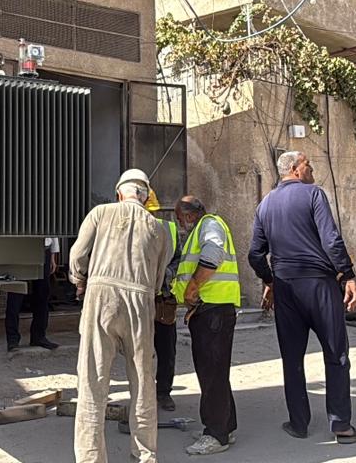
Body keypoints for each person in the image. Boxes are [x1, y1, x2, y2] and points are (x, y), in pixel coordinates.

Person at [247, 151, 356, 445]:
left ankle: (299, 423)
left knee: (292, 358)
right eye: (307, 164)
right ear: (294, 169)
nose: (311, 168)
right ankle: (341, 426)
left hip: (286, 288)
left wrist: (270, 281)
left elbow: (255, 254)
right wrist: (348, 275)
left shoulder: (265, 205)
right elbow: (331, 239)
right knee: (336, 354)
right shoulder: (313, 194)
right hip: (319, 285)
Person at [70, 169, 171, 463]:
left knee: (92, 381)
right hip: (140, 301)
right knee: (143, 381)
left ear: (119, 193)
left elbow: (77, 255)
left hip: (101, 297)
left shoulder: (100, 213)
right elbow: (159, 276)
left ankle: (90, 458)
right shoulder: (159, 228)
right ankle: (145, 455)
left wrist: (80, 280)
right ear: (146, 197)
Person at [172, 196, 241, 456]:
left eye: (180, 219)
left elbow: (213, 255)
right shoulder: (203, 229)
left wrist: (192, 287)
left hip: (213, 309)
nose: (180, 224)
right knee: (216, 372)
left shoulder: (209, 225)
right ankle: (226, 426)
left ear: (190, 215)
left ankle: (215, 434)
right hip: (210, 309)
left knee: (211, 373)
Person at [146, 189, 181, 412]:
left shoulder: (169, 229)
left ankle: (163, 392)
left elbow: (179, 259)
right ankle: (144, 392)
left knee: (166, 348)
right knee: (139, 349)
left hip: (162, 298)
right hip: (138, 299)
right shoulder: (126, 230)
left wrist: (164, 276)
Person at [5, 238, 60, 351]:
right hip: (20, 249)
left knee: (42, 294)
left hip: (44, 249)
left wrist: (52, 256)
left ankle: (38, 336)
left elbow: (53, 233)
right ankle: (12, 339)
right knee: (15, 293)